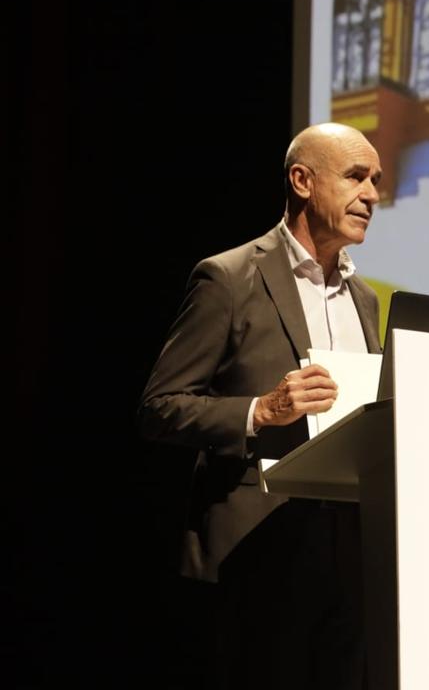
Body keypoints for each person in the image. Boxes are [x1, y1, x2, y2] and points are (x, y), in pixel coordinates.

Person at [140, 122, 384, 689]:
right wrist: (260, 411)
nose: (372, 194)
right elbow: (159, 408)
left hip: (350, 555)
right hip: (256, 553)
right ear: (302, 181)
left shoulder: (365, 298)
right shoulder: (228, 278)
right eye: (356, 177)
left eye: (376, 180)